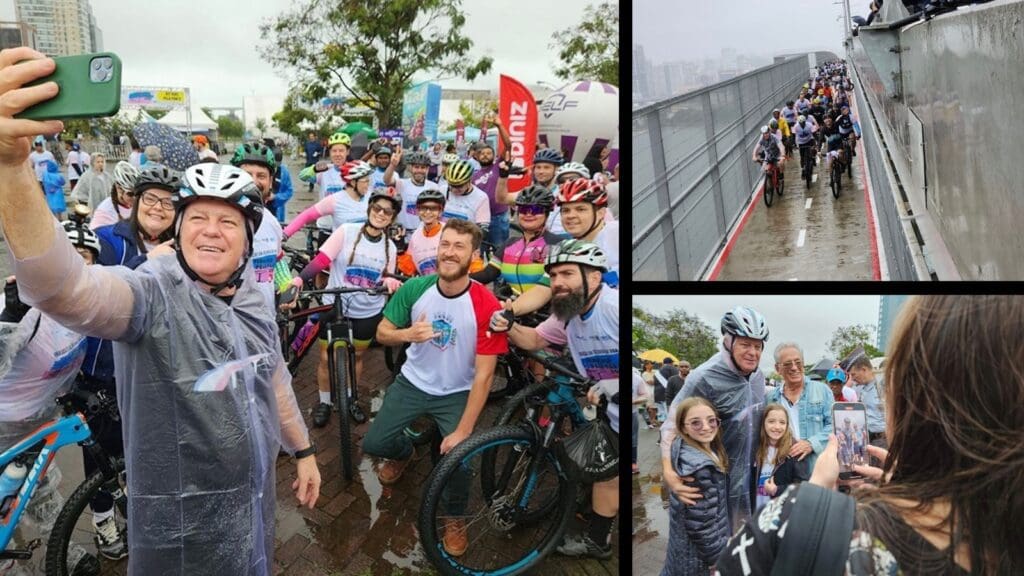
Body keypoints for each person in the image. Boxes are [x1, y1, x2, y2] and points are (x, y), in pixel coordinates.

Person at [0, 47, 320, 573]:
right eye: (198, 218)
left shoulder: (256, 299)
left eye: (228, 222)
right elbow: (64, 289)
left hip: (252, 509)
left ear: (246, 242)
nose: (211, 231)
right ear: (178, 229)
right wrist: (13, 171)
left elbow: (275, 376)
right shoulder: (152, 294)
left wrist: (304, 451)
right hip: (179, 536)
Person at [720, 295, 1023, 575]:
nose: (795, 369)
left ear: (912, 399)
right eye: (789, 365)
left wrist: (811, 505)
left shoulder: (797, 520)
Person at [364, 219, 507, 557]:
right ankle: (405, 452)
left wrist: (464, 431)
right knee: (375, 442)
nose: (449, 252)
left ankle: (453, 516)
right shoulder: (416, 288)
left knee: (460, 460)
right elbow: (382, 332)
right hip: (412, 382)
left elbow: (485, 376)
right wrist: (406, 335)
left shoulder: (487, 305)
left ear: (474, 255)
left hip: (456, 392)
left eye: (459, 246)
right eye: (446, 244)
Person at [488, 239, 619, 560]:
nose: (558, 282)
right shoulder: (568, 314)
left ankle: (597, 542)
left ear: (594, 277)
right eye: (554, 275)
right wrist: (508, 325)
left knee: (610, 477)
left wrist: (614, 384)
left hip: (626, 407)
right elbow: (535, 338)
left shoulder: (613, 307)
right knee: (605, 474)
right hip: (605, 407)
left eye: (568, 274)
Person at [0, 225, 100, 574]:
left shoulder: (81, 311)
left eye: (83, 260)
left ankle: (64, 553)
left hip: (37, 422)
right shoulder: (22, 307)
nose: (72, 268)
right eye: (65, 258)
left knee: (38, 491)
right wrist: (8, 320)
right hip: (1, 423)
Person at [283, 187, 402, 428]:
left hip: (367, 311)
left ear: (392, 218)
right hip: (334, 306)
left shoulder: (391, 248)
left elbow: (385, 276)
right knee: (326, 358)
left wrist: (389, 280)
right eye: (377, 208)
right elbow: (322, 261)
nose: (381, 214)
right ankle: (325, 402)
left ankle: (350, 398)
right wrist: (298, 279)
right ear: (369, 209)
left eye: (387, 212)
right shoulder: (346, 231)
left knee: (357, 357)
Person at [661, 306, 768, 533]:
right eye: (745, 344)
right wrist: (669, 473)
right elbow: (671, 424)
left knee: (746, 533)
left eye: (758, 346)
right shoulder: (704, 376)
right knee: (717, 537)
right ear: (729, 342)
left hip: (752, 471)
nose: (753, 352)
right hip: (717, 475)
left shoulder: (759, 376)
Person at [660, 397, 731, 576]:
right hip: (697, 559)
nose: (706, 427)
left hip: (683, 546)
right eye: (695, 423)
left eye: (711, 420)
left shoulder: (680, 445)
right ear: (683, 427)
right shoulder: (701, 469)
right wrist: (717, 559)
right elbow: (702, 524)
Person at [470, 185, 561, 296]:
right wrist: (452, 279)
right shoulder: (509, 244)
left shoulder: (556, 244)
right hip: (511, 307)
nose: (529, 214)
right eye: (523, 209)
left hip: (545, 310)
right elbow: (488, 274)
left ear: (547, 214)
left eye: (536, 209)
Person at [764, 342, 834, 471]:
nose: (794, 368)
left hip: (816, 469)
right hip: (783, 471)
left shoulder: (822, 391)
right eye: (788, 364)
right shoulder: (771, 398)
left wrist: (811, 443)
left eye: (798, 362)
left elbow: (834, 426)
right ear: (778, 368)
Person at [94, 164, 178, 269]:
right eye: (150, 199)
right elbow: (100, 282)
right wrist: (147, 259)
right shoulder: (106, 239)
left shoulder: (182, 246)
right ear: (137, 203)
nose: (158, 207)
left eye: (168, 203)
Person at [752, 403, 808, 512]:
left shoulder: (795, 451)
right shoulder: (756, 448)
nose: (777, 427)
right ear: (763, 423)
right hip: (758, 510)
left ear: (787, 425)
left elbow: (802, 486)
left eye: (782, 422)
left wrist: (776, 490)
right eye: (771, 421)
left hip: (780, 512)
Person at [468, 118, 514, 250]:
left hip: (498, 217)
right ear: (476, 157)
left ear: (494, 156)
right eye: (481, 153)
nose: (485, 155)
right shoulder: (473, 176)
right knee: (478, 251)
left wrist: (499, 125)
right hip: (481, 220)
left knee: (500, 250)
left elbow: (508, 145)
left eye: (488, 153)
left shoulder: (497, 166)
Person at [298, 132, 354, 237]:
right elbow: (302, 176)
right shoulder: (324, 170)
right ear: (330, 152)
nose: (337, 154)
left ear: (348, 152)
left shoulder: (354, 173)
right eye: (334, 151)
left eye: (341, 151)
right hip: (325, 226)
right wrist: (314, 168)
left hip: (346, 228)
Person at [384, 148, 440, 233]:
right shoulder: (402, 183)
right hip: (402, 232)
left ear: (427, 169)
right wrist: (392, 165)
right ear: (411, 168)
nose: (419, 170)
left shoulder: (434, 187)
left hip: (423, 232)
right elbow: (387, 180)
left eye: (423, 167)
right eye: (416, 167)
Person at [846, 349, 887, 452]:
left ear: (864, 369)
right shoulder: (858, 388)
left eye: (854, 374)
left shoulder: (883, 385)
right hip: (864, 438)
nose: (853, 379)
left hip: (881, 439)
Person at [440, 159, 491, 232]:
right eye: (451, 185)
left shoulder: (481, 197)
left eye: (459, 186)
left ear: (469, 181)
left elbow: (482, 229)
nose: (454, 190)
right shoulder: (442, 190)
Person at [90, 161, 139, 230]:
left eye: (138, 193)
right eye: (130, 194)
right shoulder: (105, 211)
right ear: (119, 188)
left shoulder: (138, 205)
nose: (135, 198)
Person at [632, 360, 649, 475]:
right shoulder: (608, 378)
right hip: (610, 413)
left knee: (632, 439)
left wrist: (634, 401)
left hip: (632, 413)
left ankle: (633, 462)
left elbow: (645, 395)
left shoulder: (636, 378)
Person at [269, 148, 294, 223]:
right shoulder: (262, 170)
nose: (275, 167)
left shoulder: (284, 172)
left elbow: (289, 191)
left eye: (278, 164)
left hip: (277, 212)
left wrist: (276, 197)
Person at [653, 357, 677, 424]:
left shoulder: (657, 371)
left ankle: (662, 428)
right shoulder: (673, 369)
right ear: (671, 363)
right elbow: (675, 380)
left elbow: (654, 382)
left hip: (657, 394)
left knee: (661, 414)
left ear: (664, 363)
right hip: (667, 394)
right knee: (669, 415)